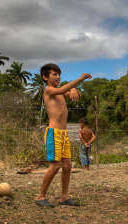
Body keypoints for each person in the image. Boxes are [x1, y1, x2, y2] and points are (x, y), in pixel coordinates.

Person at [35, 63, 92, 207]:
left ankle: (64, 197)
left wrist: (73, 89)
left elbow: (72, 93)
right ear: (45, 77)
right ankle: (40, 197)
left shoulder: (60, 92)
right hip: (53, 133)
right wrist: (79, 80)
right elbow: (62, 89)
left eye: (59, 74)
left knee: (67, 166)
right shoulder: (49, 91)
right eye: (54, 74)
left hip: (63, 134)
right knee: (55, 166)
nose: (58, 76)